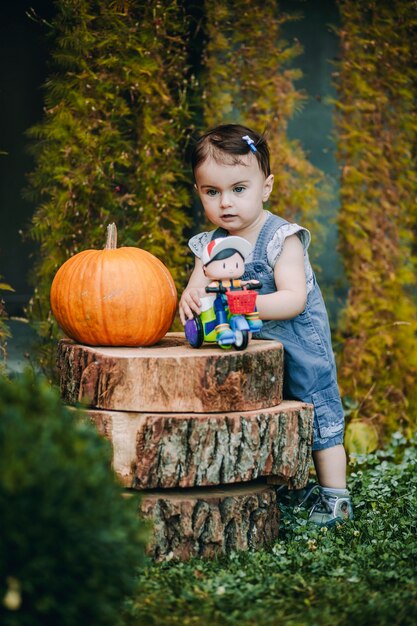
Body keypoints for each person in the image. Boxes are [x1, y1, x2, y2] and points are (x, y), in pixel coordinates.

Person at [179, 123, 353, 526]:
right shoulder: (209, 246)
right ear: (199, 192)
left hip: (298, 344)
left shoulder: (282, 238)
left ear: (266, 187)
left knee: (318, 413)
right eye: (212, 192)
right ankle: (283, 488)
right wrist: (190, 300)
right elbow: (199, 290)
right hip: (250, 349)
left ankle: (336, 499)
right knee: (262, 414)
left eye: (239, 189)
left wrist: (243, 302)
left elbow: (293, 300)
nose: (226, 203)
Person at [201, 236, 263, 344]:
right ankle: (222, 329)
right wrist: (212, 288)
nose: (230, 269)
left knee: (249, 299)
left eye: (237, 264)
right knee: (219, 309)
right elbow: (210, 288)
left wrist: (249, 283)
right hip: (223, 300)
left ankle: (252, 318)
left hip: (235, 301)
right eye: (224, 265)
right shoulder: (217, 283)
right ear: (205, 269)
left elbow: (240, 283)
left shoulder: (233, 282)